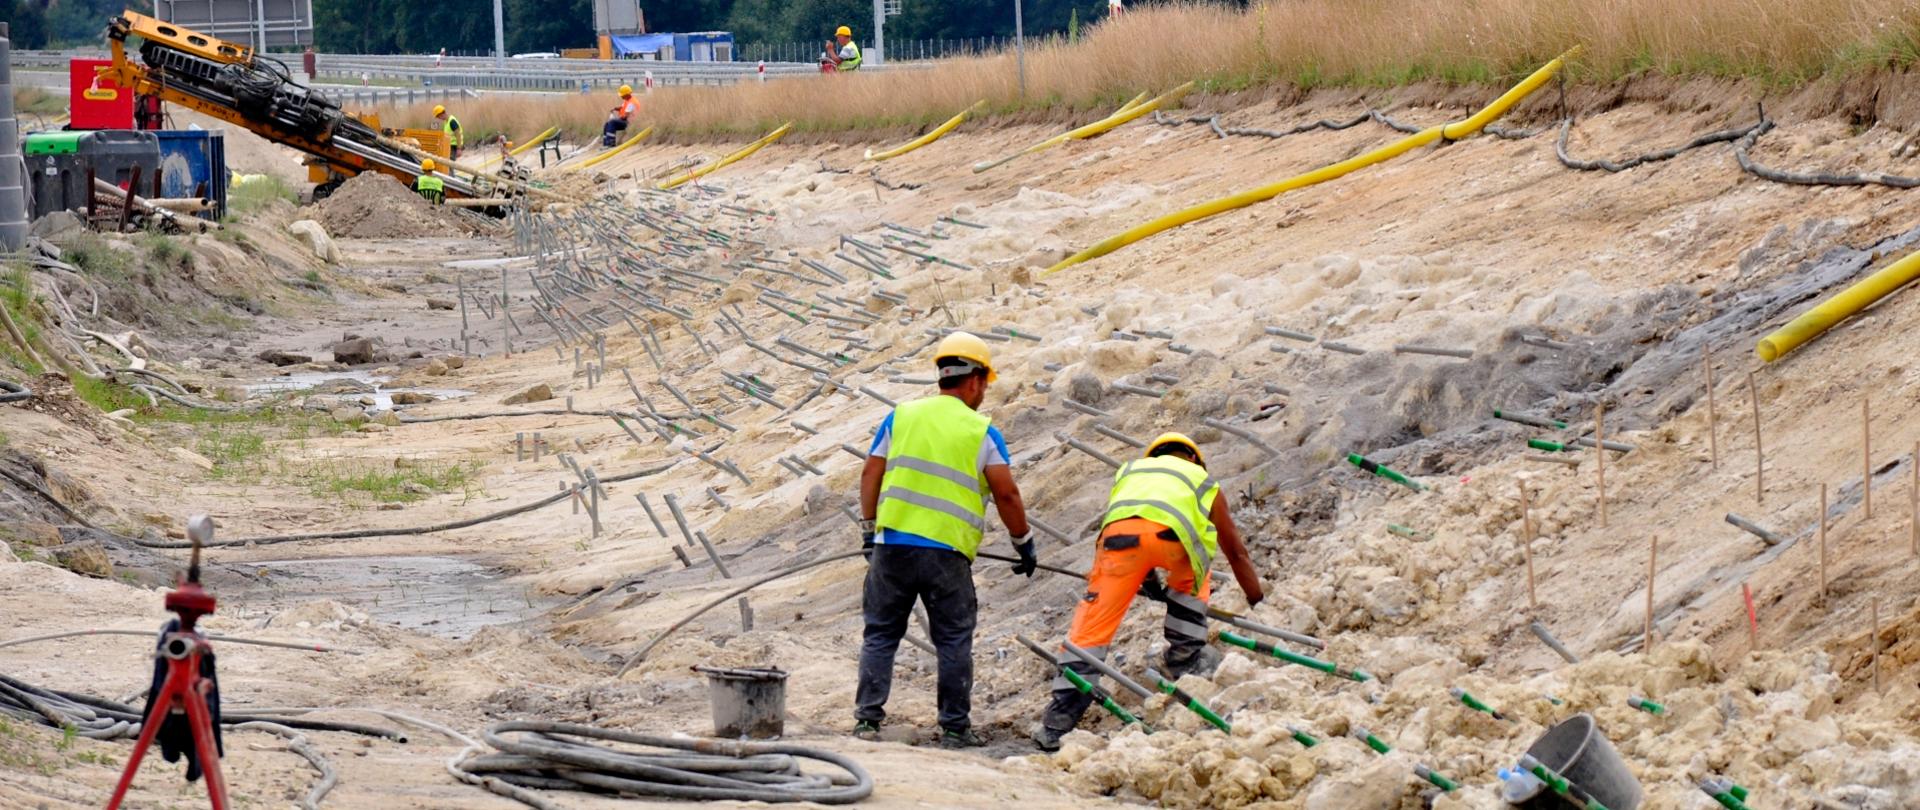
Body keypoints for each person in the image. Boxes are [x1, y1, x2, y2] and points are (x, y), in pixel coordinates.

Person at [855, 332, 1036, 749]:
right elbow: (1006, 493)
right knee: (953, 639)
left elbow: (870, 474)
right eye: (985, 384)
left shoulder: (901, 416)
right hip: (946, 554)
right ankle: (954, 728)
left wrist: (869, 529)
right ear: (973, 380)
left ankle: (867, 721)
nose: (985, 394)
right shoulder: (981, 430)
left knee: (880, 634)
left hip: (892, 546)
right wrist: (1022, 542)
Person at [1031, 433, 1266, 751]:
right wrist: (1256, 599)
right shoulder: (1202, 480)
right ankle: (1186, 655)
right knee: (1197, 561)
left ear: (1153, 456)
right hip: (1174, 543)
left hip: (1118, 544)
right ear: (1194, 458)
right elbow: (1236, 552)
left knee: (1092, 627)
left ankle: (1057, 723)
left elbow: (1135, 527)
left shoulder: (1130, 472)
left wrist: (1148, 581)